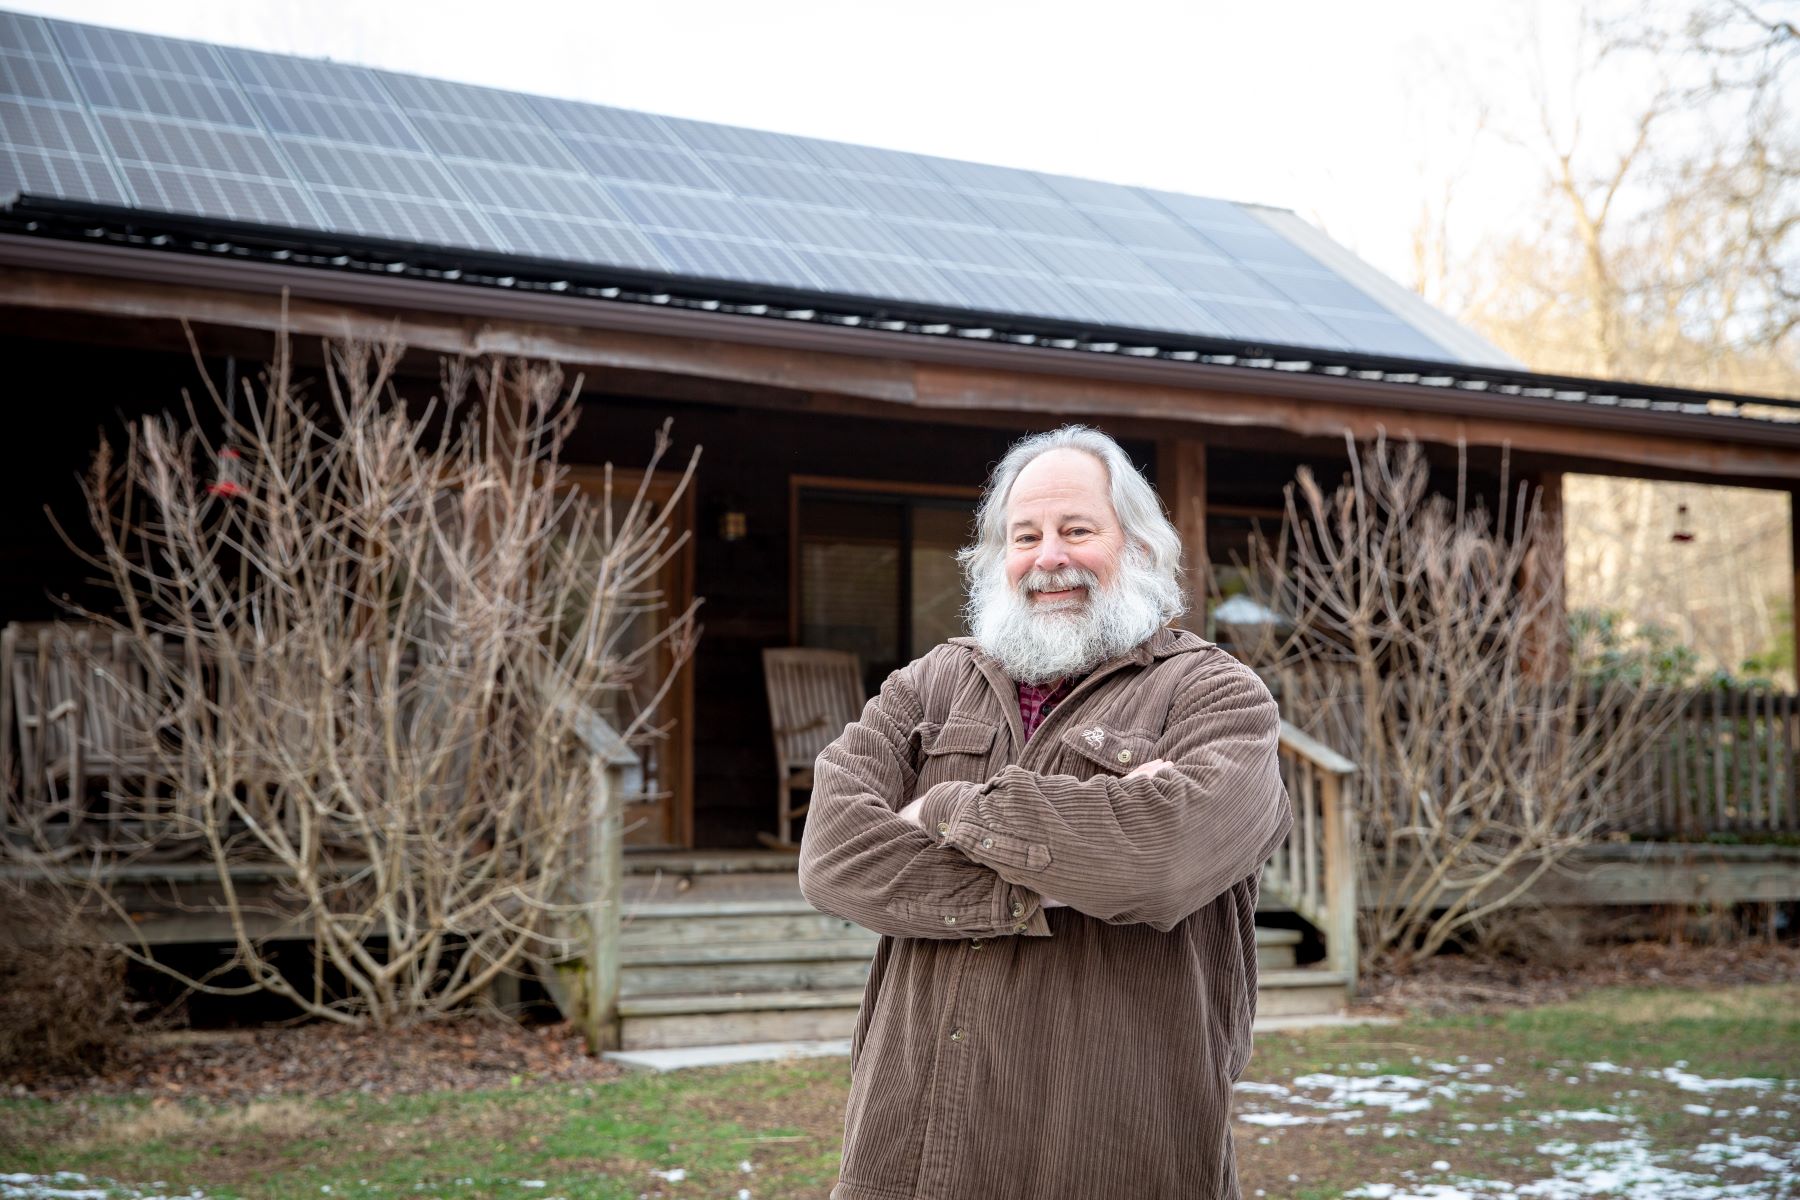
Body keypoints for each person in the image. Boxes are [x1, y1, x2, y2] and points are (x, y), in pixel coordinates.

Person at [797, 424, 1292, 1200]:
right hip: (913, 1151)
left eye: (1077, 530)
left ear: (1137, 546)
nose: (1048, 557)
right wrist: (1074, 863)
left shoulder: (1217, 696)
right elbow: (834, 858)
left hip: (1110, 1147)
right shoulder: (927, 686)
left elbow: (1159, 865)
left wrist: (946, 808)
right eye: (1024, 536)